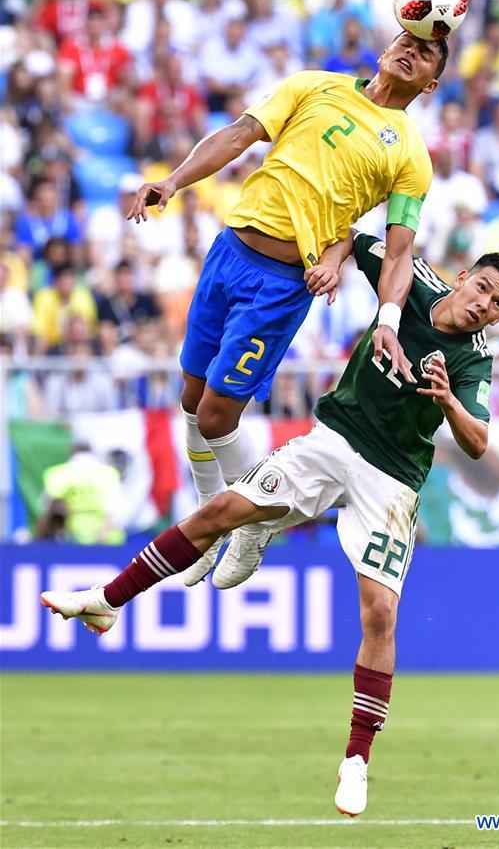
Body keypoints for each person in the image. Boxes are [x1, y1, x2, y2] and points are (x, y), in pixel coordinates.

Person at [40, 233, 499, 818]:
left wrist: (448, 400)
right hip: (333, 441)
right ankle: (106, 600)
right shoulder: (412, 281)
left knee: (381, 612)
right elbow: (353, 240)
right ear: (462, 278)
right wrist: (329, 261)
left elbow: (477, 442)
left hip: (392, 478)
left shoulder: (474, 359)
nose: (485, 305)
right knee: (221, 512)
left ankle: (357, 760)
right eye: (483, 288)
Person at [126, 30, 449, 571]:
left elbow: (398, 254)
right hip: (228, 250)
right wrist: (175, 181)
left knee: (214, 418)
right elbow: (238, 134)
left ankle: (254, 523)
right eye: (406, 39)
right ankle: (210, 514)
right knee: (189, 396)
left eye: (427, 51)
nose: (411, 49)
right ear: (386, 45)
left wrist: (387, 317)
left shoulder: (410, 153)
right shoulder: (312, 85)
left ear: (431, 82)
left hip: (280, 283)